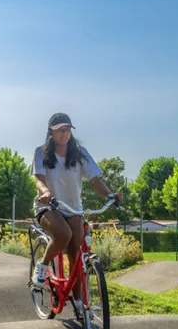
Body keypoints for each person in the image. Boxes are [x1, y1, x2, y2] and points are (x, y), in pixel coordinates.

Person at [30, 113, 122, 310]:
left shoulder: (80, 154)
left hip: (73, 209)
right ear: (51, 132)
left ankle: (79, 302)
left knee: (76, 256)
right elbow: (38, 178)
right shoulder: (41, 152)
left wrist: (110, 194)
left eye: (68, 129)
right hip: (48, 206)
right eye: (60, 130)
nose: (64, 134)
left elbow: (95, 180)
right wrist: (45, 191)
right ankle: (43, 265)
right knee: (64, 234)